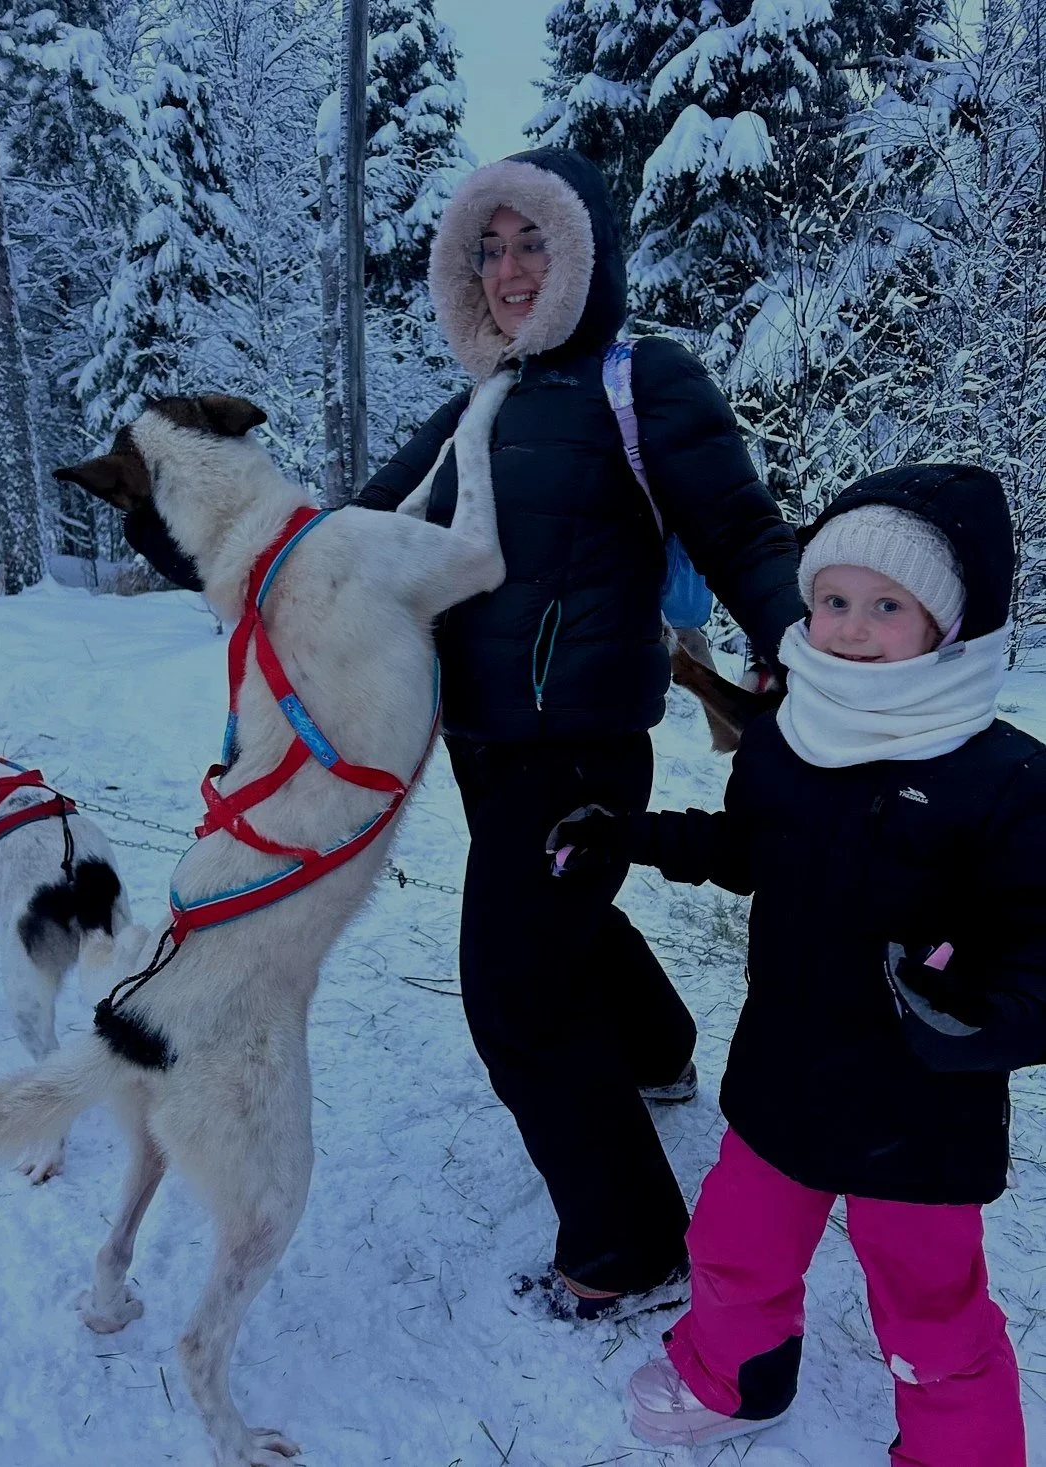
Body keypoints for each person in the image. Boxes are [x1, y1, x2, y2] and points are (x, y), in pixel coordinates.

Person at [123, 146, 806, 1318]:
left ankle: (630, 1247)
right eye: (486, 248)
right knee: (557, 916)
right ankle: (656, 1053)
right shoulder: (476, 403)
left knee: (511, 993)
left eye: (531, 241)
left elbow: (740, 530)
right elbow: (346, 531)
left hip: (580, 740)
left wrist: (816, 639)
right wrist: (194, 527)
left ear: (584, 249)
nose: (506, 269)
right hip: (484, 742)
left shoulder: (645, 383)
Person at [549, 464, 1041, 1460]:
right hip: (780, 1073)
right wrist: (630, 838)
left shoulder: (1003, 780)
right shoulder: (787, 740)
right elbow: (747, 849)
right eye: (830, 600)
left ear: (951, 625)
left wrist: (981, 1013)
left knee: (930, 1310)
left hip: (917, 1111)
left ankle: (961, 1447)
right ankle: (735, 1379)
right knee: (732, 1251)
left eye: (885, 605)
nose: (849, 626)